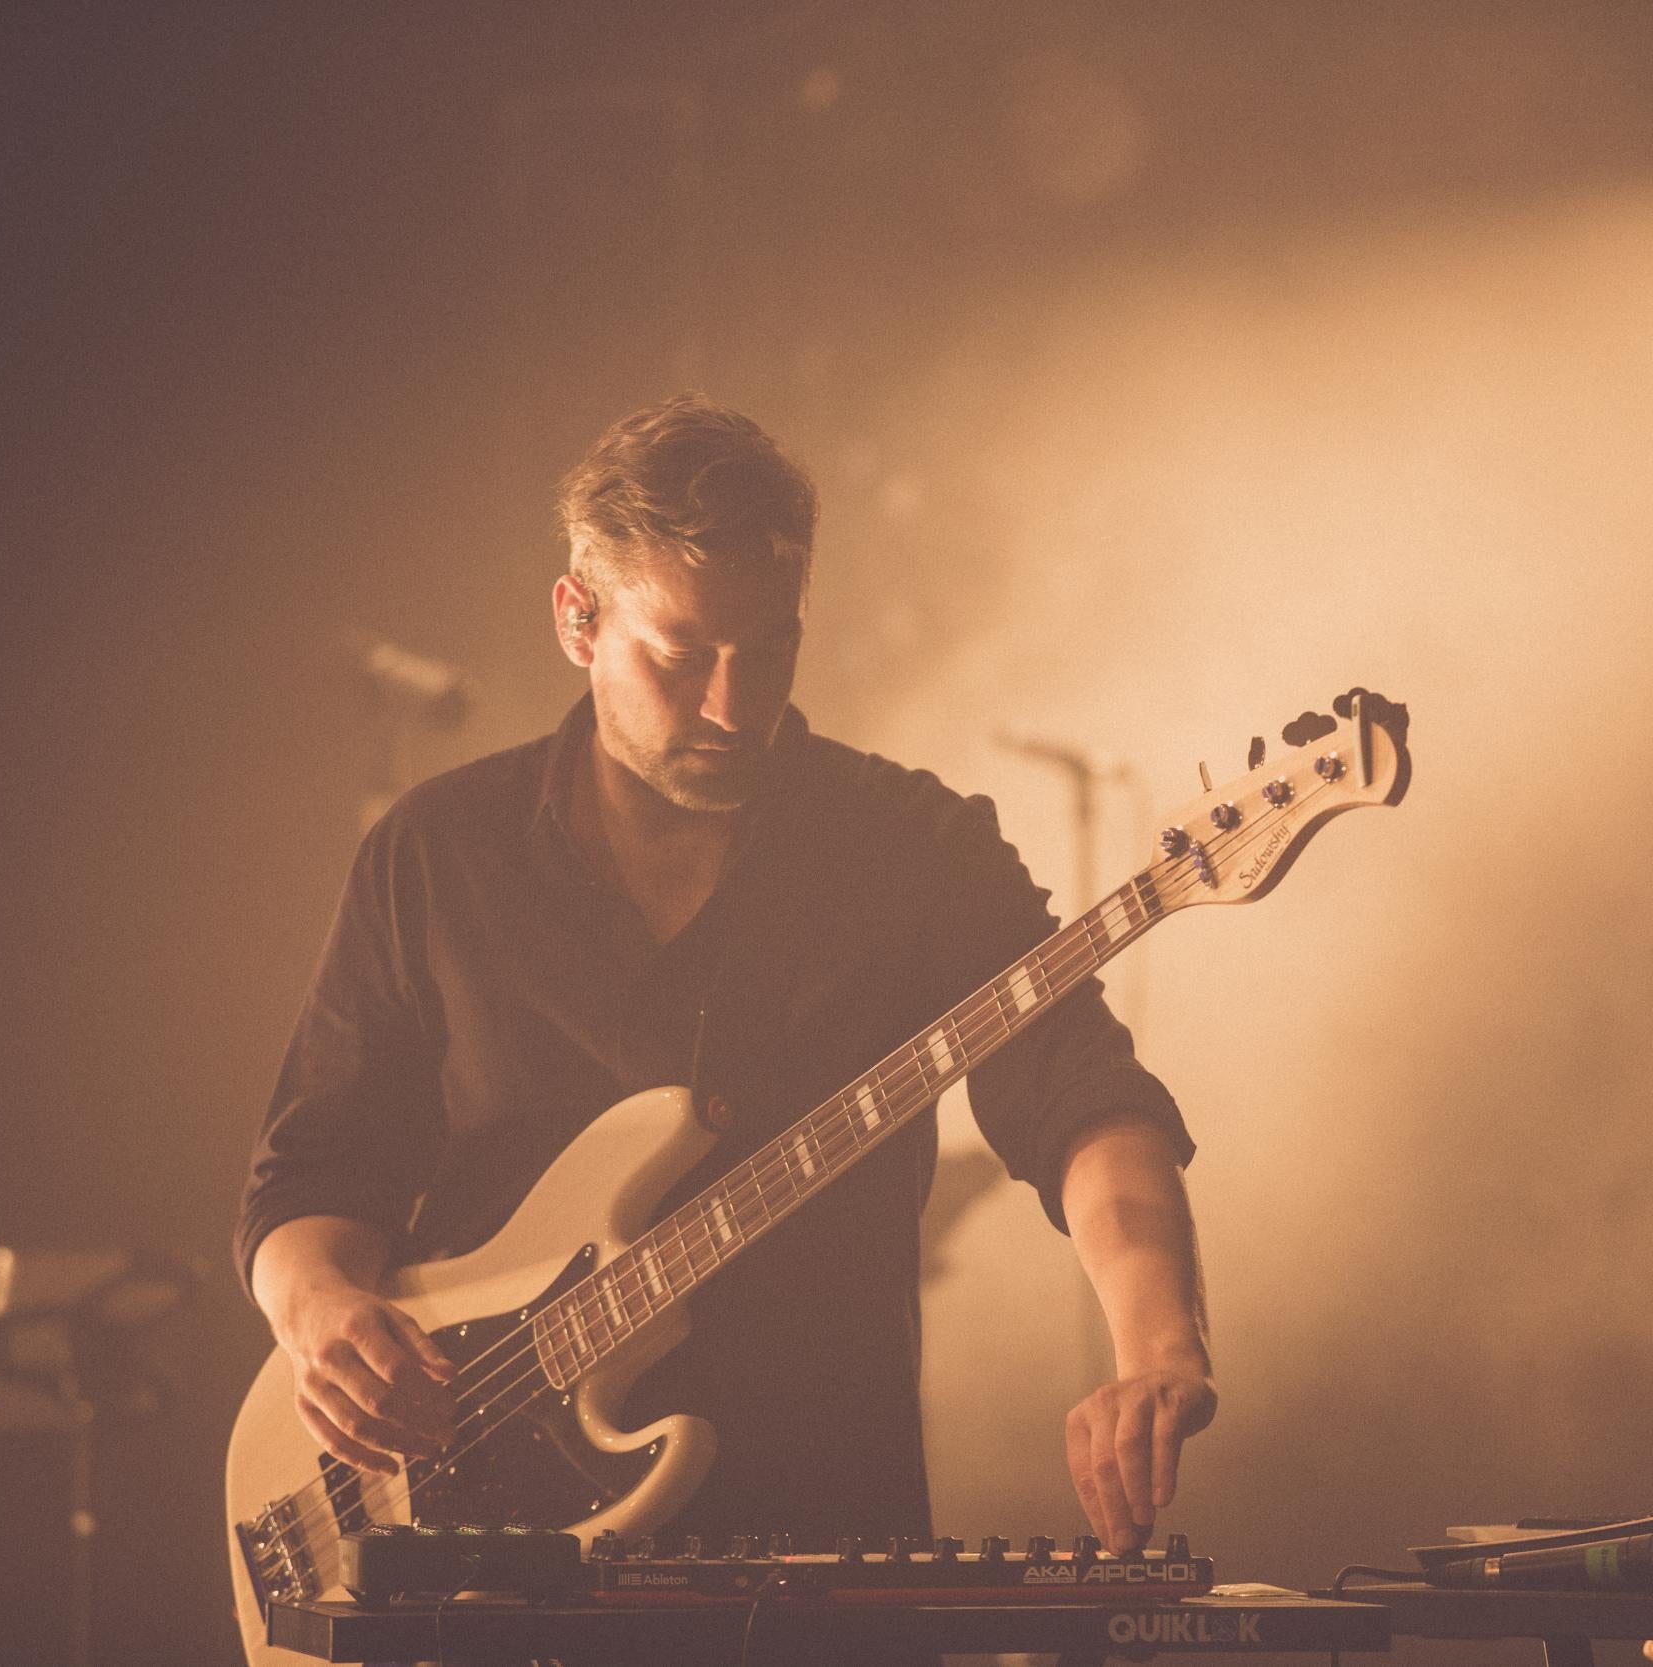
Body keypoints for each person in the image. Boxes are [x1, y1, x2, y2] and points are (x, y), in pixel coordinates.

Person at [235, 396, 1215, 1561]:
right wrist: (321, 1311)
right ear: (576, 620)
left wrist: (1158, 1350)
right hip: (471, 1554)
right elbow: (314, 1168)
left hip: (820, 1544)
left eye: (770, 652)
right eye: (682, 655)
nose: (732, 706)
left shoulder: (917, 848)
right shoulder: (437, 852)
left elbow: (1080, 1095)